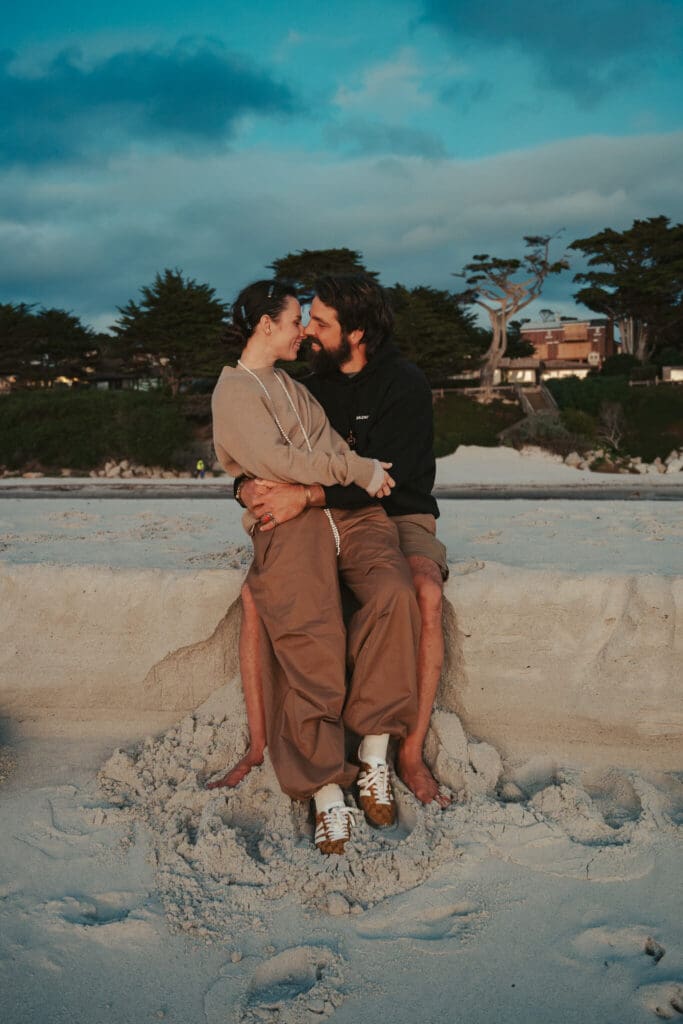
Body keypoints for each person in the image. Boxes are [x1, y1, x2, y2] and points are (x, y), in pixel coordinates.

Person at [210, 275, 449, 808]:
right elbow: (263, 451)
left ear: (357, 332)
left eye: (320, 323)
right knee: (257, 597)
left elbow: (392, 479)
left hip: (396, 511)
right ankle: (258, 746)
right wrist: (243, 487)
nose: (310, 333)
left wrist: (309, 495)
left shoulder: (404, 384)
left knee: (422, 588)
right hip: (321, 515)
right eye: (306, 320)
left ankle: (404, 753)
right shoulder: (306, 385)